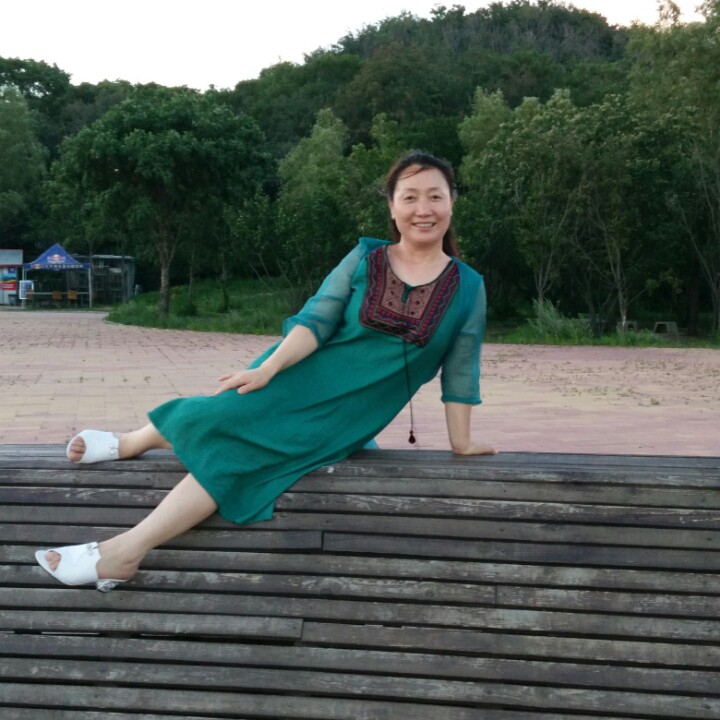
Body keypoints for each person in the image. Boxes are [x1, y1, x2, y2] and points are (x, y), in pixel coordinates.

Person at [35, 150, 496, 591]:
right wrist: (269, 368)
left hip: (346, 416)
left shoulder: (468, 288)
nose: (423, 209)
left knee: (233, 446)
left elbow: (460, 372)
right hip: (295, 373)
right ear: (392, 208)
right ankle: (130, 471)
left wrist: (462, 442)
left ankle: (125, 535)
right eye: (409, 197)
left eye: (435, 196)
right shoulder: (365, 258)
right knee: (222, 416)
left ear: (452, 203)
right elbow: (316, 321)